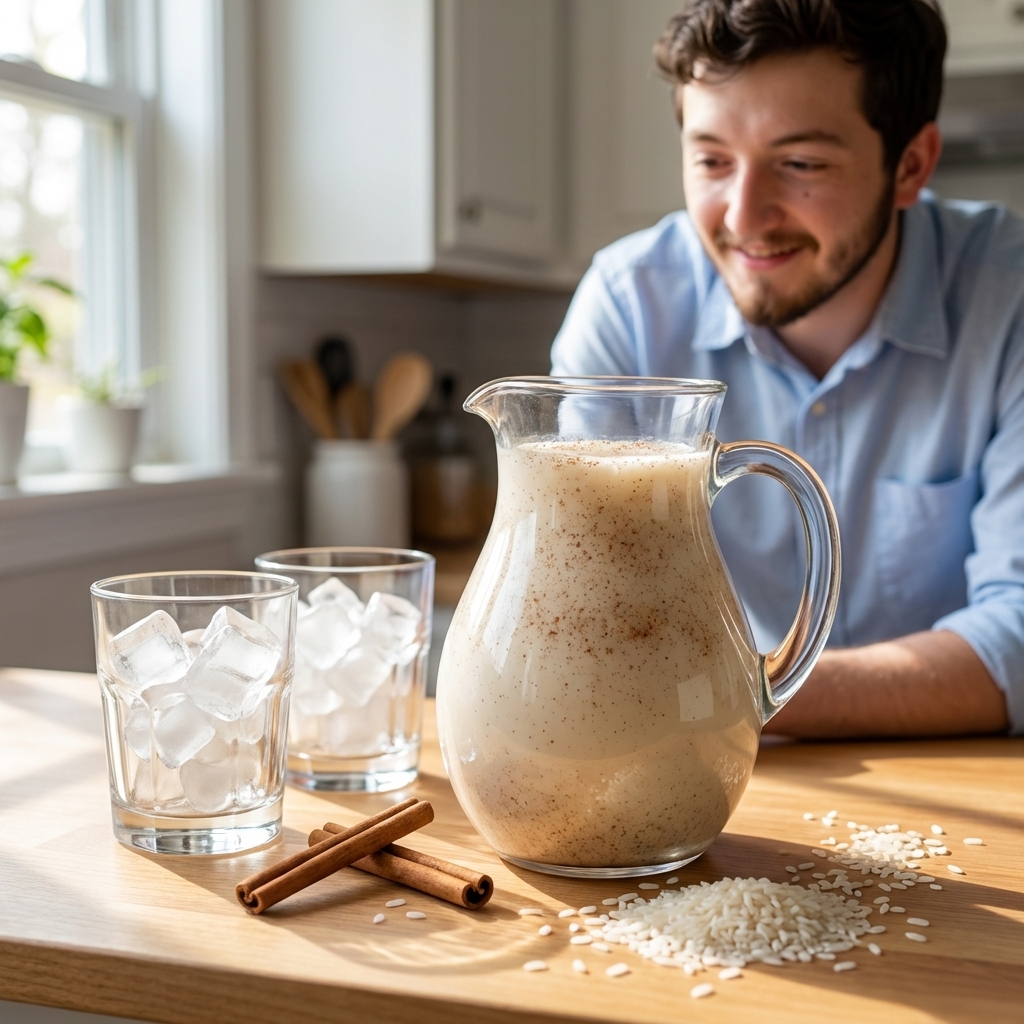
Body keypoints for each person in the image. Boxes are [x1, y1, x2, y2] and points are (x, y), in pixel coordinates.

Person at [550, 0, 1022, 738]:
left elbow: (1019, 633)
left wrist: (738, 693)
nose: (743, 215)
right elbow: (587, 598)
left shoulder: (1010, 300)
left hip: (958, 783)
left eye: (800, 164)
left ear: (911, 166)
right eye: (711, 160)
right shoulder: (629, 306)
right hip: (693, 767)